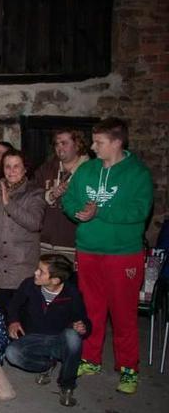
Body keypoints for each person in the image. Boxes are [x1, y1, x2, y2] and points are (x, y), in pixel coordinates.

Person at [62, 118, 153, 394]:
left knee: (123, 313)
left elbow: (140, 211)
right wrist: (77, 211)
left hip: (122, 255)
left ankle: (128, 369)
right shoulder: (87, 169)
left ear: (116, 142)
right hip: (88, 251)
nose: (92, 146)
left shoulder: (137, 173)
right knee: (91, 309)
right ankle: (91, 358)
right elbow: (69, 199)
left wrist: (100, 212)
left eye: (99, 142)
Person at [5, 254, 91, 407]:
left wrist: (83, 327)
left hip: (58, 339)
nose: (36, 273)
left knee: (73, 338)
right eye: (38, 269)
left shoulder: (72, 294)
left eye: (41, 271)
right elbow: (13, 306)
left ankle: (67, 386)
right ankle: (46, 365)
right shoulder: (29, 285)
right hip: (33, 337)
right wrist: (14, 321)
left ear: (55, 280)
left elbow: (84, 320)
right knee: (11, 353)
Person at [0, 149, 46, 315]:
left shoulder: (35, 192)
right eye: (7, 167)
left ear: (25, 169)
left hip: (20, 265)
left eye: (16, 166)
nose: (11, 171)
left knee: (19, 317)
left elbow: (35, 223)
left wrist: (9, 204)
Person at [33, 129, 89, 260]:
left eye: (64, 143)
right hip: (45, 243)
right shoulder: (46, 169)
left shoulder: (90, 170)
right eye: (57, 144)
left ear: (78, 144)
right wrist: (50, 195)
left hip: (73, 244)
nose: (59, 147)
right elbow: (32, 194)